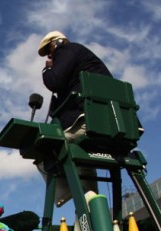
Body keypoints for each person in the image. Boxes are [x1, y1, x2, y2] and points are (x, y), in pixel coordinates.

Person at [37, 31, 112, 206]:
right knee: (85, 166)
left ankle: (74, 193)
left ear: (55, 43)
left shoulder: (66, 51)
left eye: (49, 50)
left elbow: (54, 81)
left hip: (88, 122)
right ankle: (92, 205)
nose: (49, 55)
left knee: (42, 151)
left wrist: (47, 68)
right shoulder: (85, 60)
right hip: (114, 125)